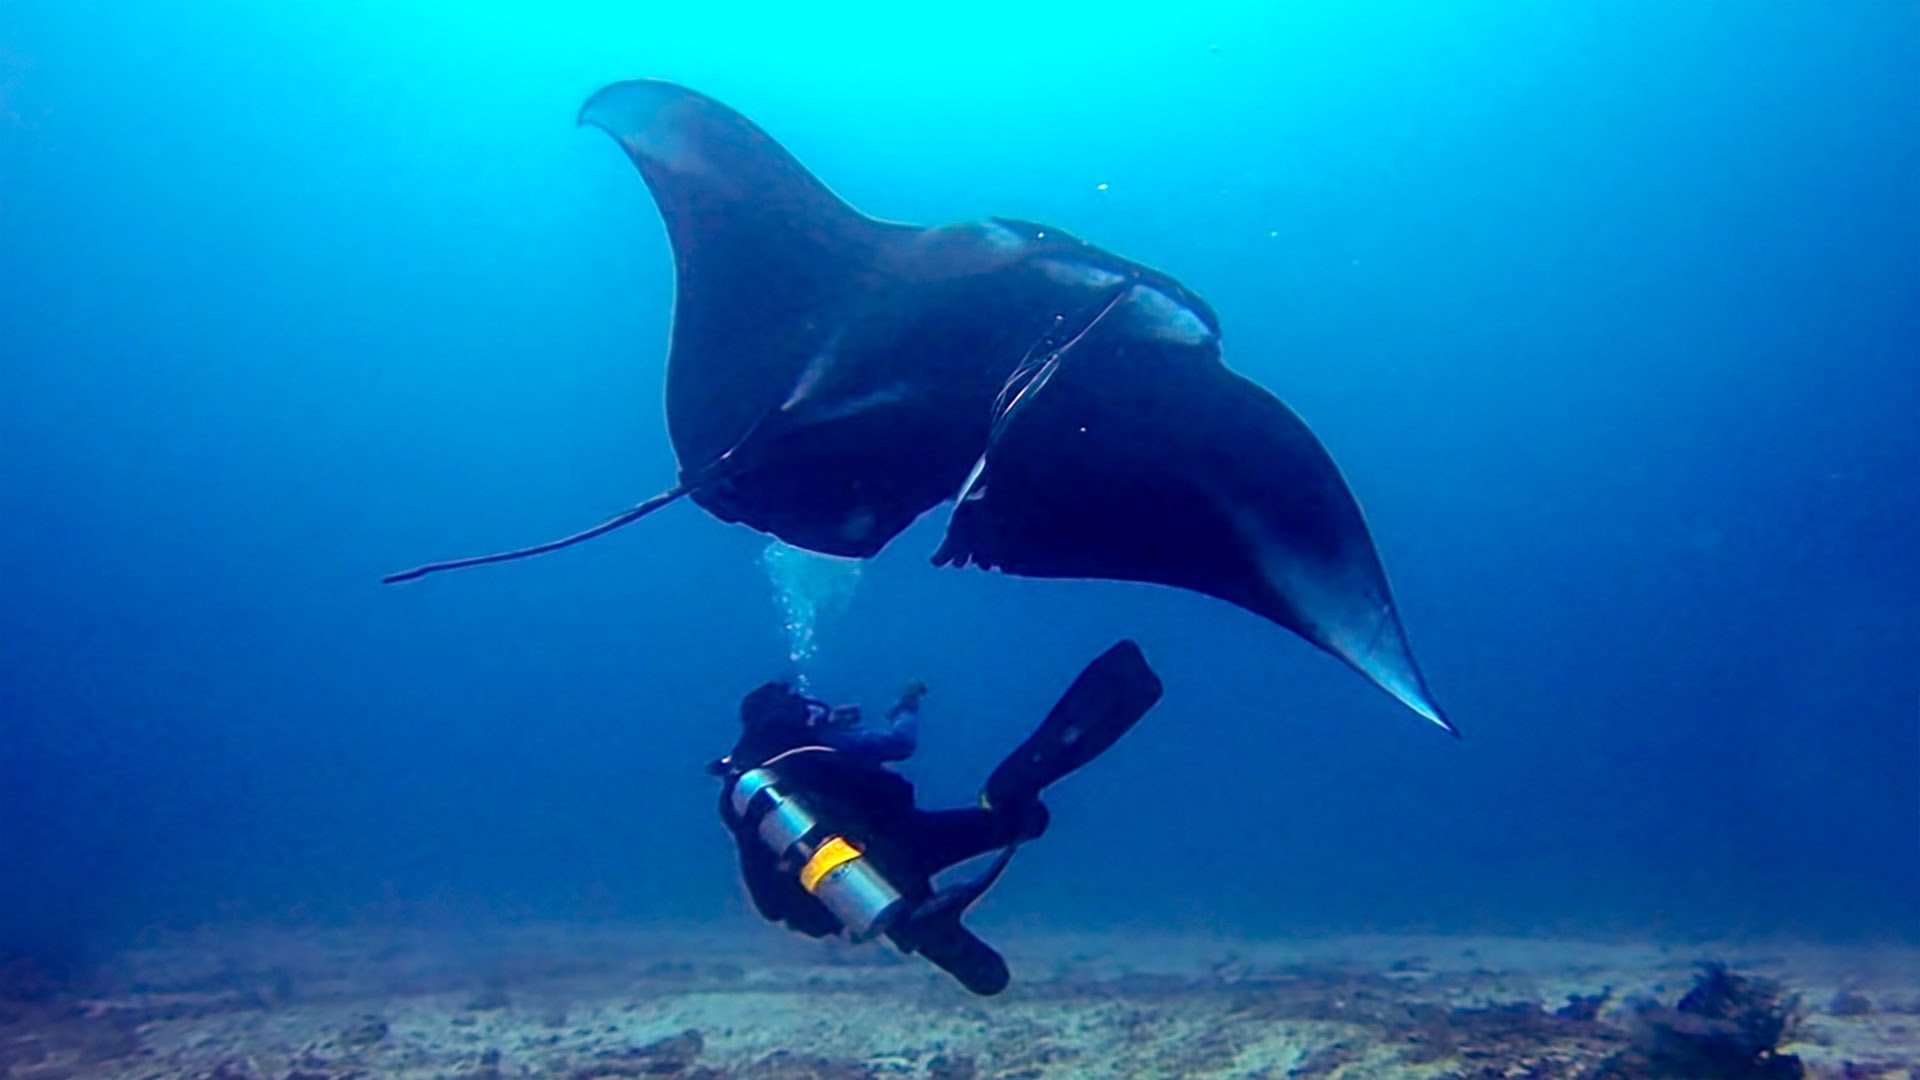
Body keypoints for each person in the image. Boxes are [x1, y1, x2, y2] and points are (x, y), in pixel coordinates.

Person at [707, 641, 1163, 995]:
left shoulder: (741, 789)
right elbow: (898, 750)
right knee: (1020, 816)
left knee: (907, 897)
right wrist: (907, 704)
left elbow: (763, 879)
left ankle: (917, 924)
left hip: (822, 900)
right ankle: (997, 829)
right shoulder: (816, 745)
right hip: (905, 847)